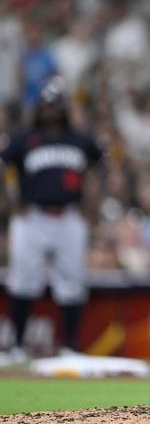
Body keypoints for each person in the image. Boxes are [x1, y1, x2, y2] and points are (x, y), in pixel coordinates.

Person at [0, 77, 103, 365]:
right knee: (22, 281)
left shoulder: (79, 139)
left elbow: (99, 168)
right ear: (39, 107)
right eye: (47, 105)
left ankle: (69, 346)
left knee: (71, 282)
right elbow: (3, 163)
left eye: (56, 105)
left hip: (69, 217)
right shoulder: (25, 138)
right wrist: (9, 202)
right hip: (31, 217)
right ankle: (17, 346)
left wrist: (91, 204)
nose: (51, 111)